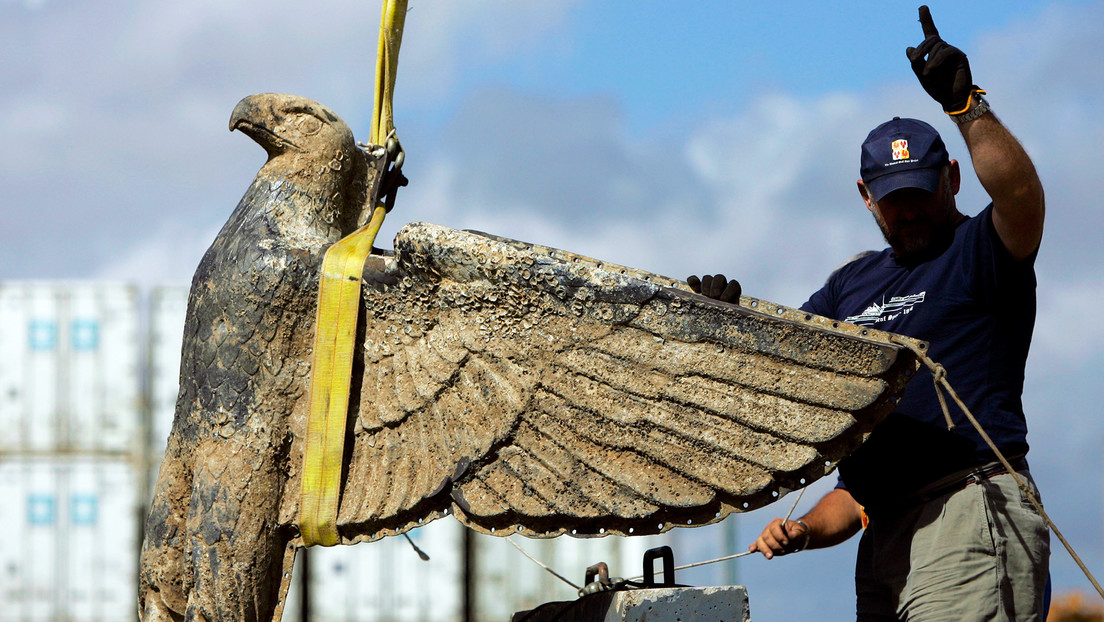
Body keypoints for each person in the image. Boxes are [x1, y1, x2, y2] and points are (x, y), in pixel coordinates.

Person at [690, 6, 1049, 621]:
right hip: (885, 540)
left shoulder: (981, 250)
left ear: (952, 180)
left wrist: (968, 107)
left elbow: (1020, 196)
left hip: (966, 514)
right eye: (891, 199)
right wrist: (727, 329)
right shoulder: (849, 287)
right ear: (865, 196)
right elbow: (849, 483)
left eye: (918, 193)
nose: (906, 212)